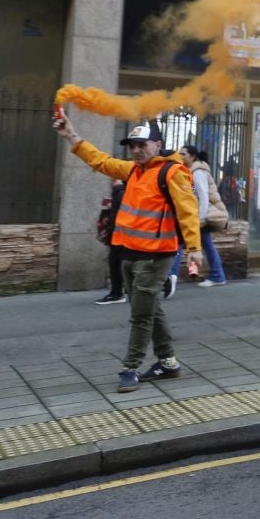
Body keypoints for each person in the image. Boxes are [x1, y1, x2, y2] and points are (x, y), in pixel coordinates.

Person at [52, 115, 203, 392]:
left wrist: (194, 250)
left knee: (141, 316)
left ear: (157, 145)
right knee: (149, 309)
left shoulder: (172, 172)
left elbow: (188, 211)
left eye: (141, 144)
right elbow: (100, 160)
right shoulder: (134, 170)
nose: (135, 150)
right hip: (129, 254)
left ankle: (130, 368)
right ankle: (168, 362)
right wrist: (70, 135)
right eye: (131, 145)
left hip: (156, 257)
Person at [170, 146, 229, 287]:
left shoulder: (198, 173)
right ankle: (216, 275)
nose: (180, 156)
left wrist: (199, 219)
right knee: (202, 246)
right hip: (196, 216)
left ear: (192, 157)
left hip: (199, 217)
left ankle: (170, 276)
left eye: (183, 154)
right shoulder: (190, 172)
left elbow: (202, 197)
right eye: (179, 154)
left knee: (180, 245)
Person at [93, 179, 130, 305]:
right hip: (118, 231)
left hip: (128, 232)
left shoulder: (126, 185)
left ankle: (164, 282)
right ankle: (117, 293)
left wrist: (118, 189)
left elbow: (125, 203)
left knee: (125, 262)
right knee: (115, 262)